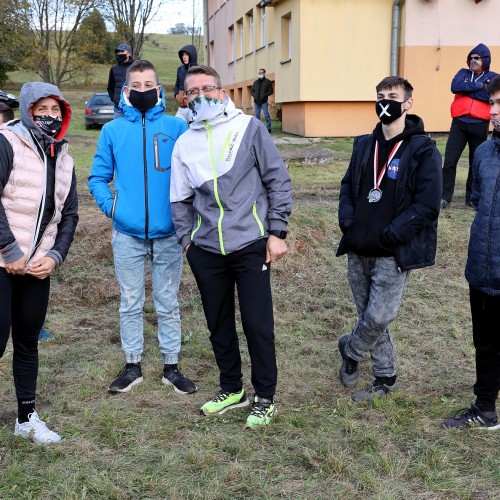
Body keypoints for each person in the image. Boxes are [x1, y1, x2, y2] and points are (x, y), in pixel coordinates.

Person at [170, 65, 293, 428]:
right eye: (193, 92)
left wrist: (277, 232)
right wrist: (187, 243)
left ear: (222, 93)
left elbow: (278, 181)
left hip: (251, 243)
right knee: (218, 323)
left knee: (257, 324)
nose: (201, 95)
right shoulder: (183, 143)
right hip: (206, 250)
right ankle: (231, 388)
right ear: (185, 98)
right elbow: (179, 200)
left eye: (208, 88)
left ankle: (265, 397)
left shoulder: (249, 128)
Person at [89, 60, 196, 395]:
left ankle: (171, 367)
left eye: (149, 84)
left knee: (168, 301)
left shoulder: (177, 129)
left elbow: (192, 178)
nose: (143, 90)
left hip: (168, 235)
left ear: (159, 89)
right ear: (126, 90)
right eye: (136, 85)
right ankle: (132, 365)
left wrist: (187, 219)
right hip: (127, 235)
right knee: (131, 300)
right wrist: (114, 209)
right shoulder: (112, 131)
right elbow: (97, 178)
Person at [336, 76, 442, 401]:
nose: (385, 101)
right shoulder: (363, 144)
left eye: (393, 96)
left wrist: (391, 235)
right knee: (368, 316)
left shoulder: (423, 150)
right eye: (380, 95)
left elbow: (427, 205)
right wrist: (348, 224)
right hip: (358, 246)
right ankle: (386, 379)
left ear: (408, 103)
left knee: (380, 316)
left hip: (391, 251)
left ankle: (350, 351)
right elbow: (346, 187)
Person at [0, 82, 78, 444]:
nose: (49, 115)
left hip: (37, 268)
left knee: (28, 342)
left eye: (56, 110)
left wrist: (55, 256)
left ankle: (26, 417)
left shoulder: (63, 157)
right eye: (42, 108)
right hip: (3, 263)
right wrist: (9, 251)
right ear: (29, 109)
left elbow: (71, 215)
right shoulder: (6, 142)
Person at [443, 76, 500, 430]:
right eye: (492, 103)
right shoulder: (483, 152)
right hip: (482, 266)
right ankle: (485, 408)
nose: (492, 111)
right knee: (486, 342)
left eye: (498, 104)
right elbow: (478, 198)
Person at [441, 44, 497, 209]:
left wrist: (469, 89)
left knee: (476, 162)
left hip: (479, 124)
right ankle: (444, 197)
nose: (473, 60)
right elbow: (455, 87)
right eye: (471, 57)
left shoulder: (493, 76)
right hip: (458, 124)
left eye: (477, 58)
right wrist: (480, 86)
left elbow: (489, 94)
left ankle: (472, 198)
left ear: (485, 60)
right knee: (450, 161)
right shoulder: (462, 73)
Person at [107, 43, 134, 119]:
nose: (120, 54)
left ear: (128, 53)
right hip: (118, 108)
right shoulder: (114, 69)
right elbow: (110, 88)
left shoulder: (136, 68)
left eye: (122, 51)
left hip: (133, 107)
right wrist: (115, 99)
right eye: (118, 52)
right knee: (119, 130)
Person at [251, 68, 273, 133]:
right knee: (257, 116)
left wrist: (265, 95)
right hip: (257, 102)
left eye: (261, 73)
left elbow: (271, 91)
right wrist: (255, 96)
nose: (260, 74)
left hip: (264, 101)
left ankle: (269, 128)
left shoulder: (268, 82)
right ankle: (257, 129)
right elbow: (252, 91)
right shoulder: (255, 82)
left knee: (266, 115)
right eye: (259, 73)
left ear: (264, 73)